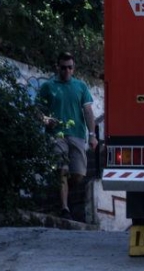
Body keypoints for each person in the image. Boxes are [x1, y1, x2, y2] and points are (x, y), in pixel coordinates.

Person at [37, 52, 98, 220]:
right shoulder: (48, 86)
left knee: (78, 174)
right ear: (58, 67)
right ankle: (64, 208)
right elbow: (38, 109)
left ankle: (62, 191)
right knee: (62, 170)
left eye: (70, 67)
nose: (66, 71)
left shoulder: (81, 86)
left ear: (74, 68)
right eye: (63, 67)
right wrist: (46, 119)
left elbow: (87, 111)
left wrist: (92, 135)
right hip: (56, 134)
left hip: (77, 134)